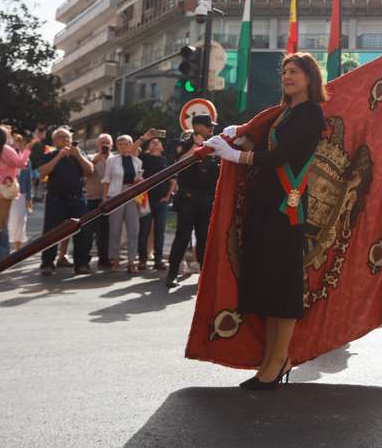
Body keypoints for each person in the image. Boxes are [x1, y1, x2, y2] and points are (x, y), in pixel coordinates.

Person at [205, 52, 326, 390]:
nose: (288, 77)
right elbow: (267, 143)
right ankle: (272, 359)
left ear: (309, 78)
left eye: (295, 72)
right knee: (268, 284)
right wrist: (244, 137)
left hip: (285, 207)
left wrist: (237, 155)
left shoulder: (310, 113)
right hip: (266, 204)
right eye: (285, 71)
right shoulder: (285, 113)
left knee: (283, 285)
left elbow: (281, 156)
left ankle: (278, 359)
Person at [166, 116, 220, 287]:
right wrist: (196, 147)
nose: (211, 129)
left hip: (206, 199)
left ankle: (204, 279)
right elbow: (178, 163)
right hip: (188, 198)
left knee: (204, 238)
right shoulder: (183, 143)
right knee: (182, 236)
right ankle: (172, 274)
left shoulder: (214, 145)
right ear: (197, 126)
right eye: (207, 126)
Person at [0, 125, 40, 270]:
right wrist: (28, 149)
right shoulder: (5, 149)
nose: (10, 136)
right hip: (3, 190)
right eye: (7, 134)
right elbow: (21, 163)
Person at [35, 127, 92, 275]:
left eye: (67, 137)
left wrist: (78, 155)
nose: (65, 140)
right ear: (54, 141)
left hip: (77, 198)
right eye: (61, 137)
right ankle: (47, 263)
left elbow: (90, 171)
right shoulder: (50, 155)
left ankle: (82, 263)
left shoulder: (78, 154)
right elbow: (42, 173)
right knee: (51, 232)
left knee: (82, 231)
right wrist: (59, 157)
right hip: (56, 199)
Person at [102, 135, 144, 274]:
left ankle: (132, 261)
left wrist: (139, 181)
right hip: (115, 195)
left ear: (131, 145)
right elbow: (106, 179)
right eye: (120, 144)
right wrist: (104, 198)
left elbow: (138, 179)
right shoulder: (112, 160)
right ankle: (114, 260)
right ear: (116, 146)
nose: (123, 146)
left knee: (134, 229)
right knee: (115, 229)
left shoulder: (137, 161)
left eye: (126, 144)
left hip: (132, 196)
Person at [137, 135, 173, 271]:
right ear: (148, 147)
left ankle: (158, 260)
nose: (155, 143)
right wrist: (144, 138)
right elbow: (134, 151)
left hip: (162, 201)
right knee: (144, 230)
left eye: (158, 142)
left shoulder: (166, 161)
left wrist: (168, 196)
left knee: (160, 231)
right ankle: (142, 260)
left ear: (162, 147)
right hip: (146, 200)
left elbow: (173, 180)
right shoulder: (144, 158)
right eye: (153, 142)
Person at [80, 134, 113, 271]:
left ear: (112, 145)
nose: (104, 145)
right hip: (92, 199)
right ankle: (83, 261)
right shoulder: (89, 157)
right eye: (102, 143)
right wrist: (96, 159)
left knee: (105, 232)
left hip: (110, 199)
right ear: (97, 145)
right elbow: (85, 172)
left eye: (107, 143)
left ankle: (104, 260)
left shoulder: (115, 159)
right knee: (87, 232)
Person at [7, 137, 35, 251]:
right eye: (14, 142)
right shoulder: (6, 158)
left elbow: (29, 180)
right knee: (6, 221)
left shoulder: (27, 160)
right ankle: (3, 249)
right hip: (6, 194)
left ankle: (16, 249)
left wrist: (29, 198)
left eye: (19, 142)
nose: (16, 145)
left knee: (19, 221)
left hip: (21, 194)